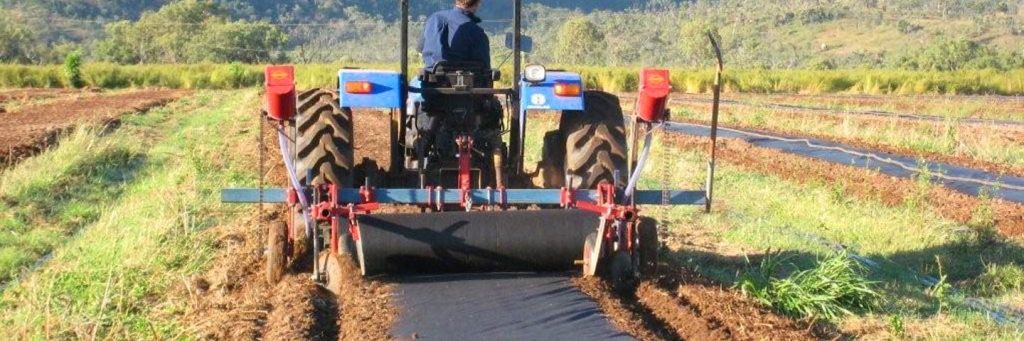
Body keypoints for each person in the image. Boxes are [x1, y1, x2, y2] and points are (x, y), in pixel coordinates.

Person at [418, 0, 491, 70]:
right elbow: (484, 67)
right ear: (478, 3)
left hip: (431, 80)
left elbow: (420, 50)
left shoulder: (435, 18)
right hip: (468, 81)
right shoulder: (479, 33)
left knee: (414, 81)